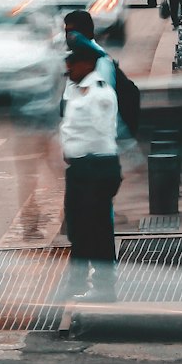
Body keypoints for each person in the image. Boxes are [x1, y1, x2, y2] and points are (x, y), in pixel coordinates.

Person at [59, 33, 122, 301]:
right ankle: (76, 284)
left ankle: (104, 288)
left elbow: (101, 134)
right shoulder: (77, 90)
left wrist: (81, 159)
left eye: (72, 63)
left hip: (95, 168)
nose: (68, 68)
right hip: (82, 170)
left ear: (86, 63)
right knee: (78, 229)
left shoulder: (99, 93)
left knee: (96, 231)